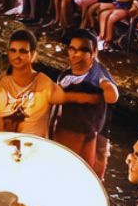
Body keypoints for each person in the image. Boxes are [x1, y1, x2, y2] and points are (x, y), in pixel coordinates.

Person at [51, 28, 119, 175]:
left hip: (87, 135)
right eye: (72, 49)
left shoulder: (97, 75)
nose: (75, 54)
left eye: (82, 50)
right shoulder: (67, 75)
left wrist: (84, 97)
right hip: (71, 132)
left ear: (93, 52)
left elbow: (112, 95)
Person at [0, 29, 55, 137]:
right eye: (13, 51)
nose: (17, 56)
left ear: (33, 55)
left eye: (22, 51)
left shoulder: (43, 88)